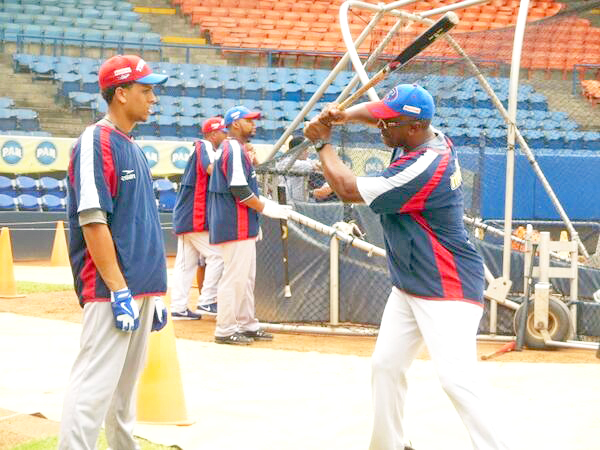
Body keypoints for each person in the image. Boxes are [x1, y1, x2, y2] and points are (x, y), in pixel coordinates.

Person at [304, 84, 510, 450]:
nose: (381, 128)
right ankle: (390, 444)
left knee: (456, 380)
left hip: (448, 286)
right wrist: (345, 115)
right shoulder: (419, 136)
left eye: (389, 124)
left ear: (414, 127)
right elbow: (379, 113)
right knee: (385, 366)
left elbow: (347, 188)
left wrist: (323, 142)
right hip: (411, 281)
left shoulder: (425, 166)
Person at [60, 54, 169, 449]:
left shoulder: (131, 145)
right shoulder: (96, 140)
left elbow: (139, 224)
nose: (153, 98)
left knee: (124, 396)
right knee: (92, 389)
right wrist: (119, 288)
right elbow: (92, 219)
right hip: (112, 292)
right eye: (145, 90)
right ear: (120, 94)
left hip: (138, 290)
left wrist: (151, 292)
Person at [208, 105, 292, 345]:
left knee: (245, 279)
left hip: (243, 223)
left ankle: (247, 324)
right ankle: (225, 330)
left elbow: (245, 188)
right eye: (249, 121)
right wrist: (265, 208)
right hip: (235, 224)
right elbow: (238, 189)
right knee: (234, 278)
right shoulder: (233, 147)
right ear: (235, 124)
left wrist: (263, 208)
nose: (254, 125)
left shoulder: (238, 149)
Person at [170, 116, 227, 319]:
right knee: (218, 255)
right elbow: (209, 168)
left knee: (185, 265)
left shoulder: (210, 148)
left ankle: (178, 308)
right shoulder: (204, 144)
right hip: (194, 215)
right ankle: (207, 301)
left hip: (190, 214)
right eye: (223, 131)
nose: (226, 135)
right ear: (213, 134)